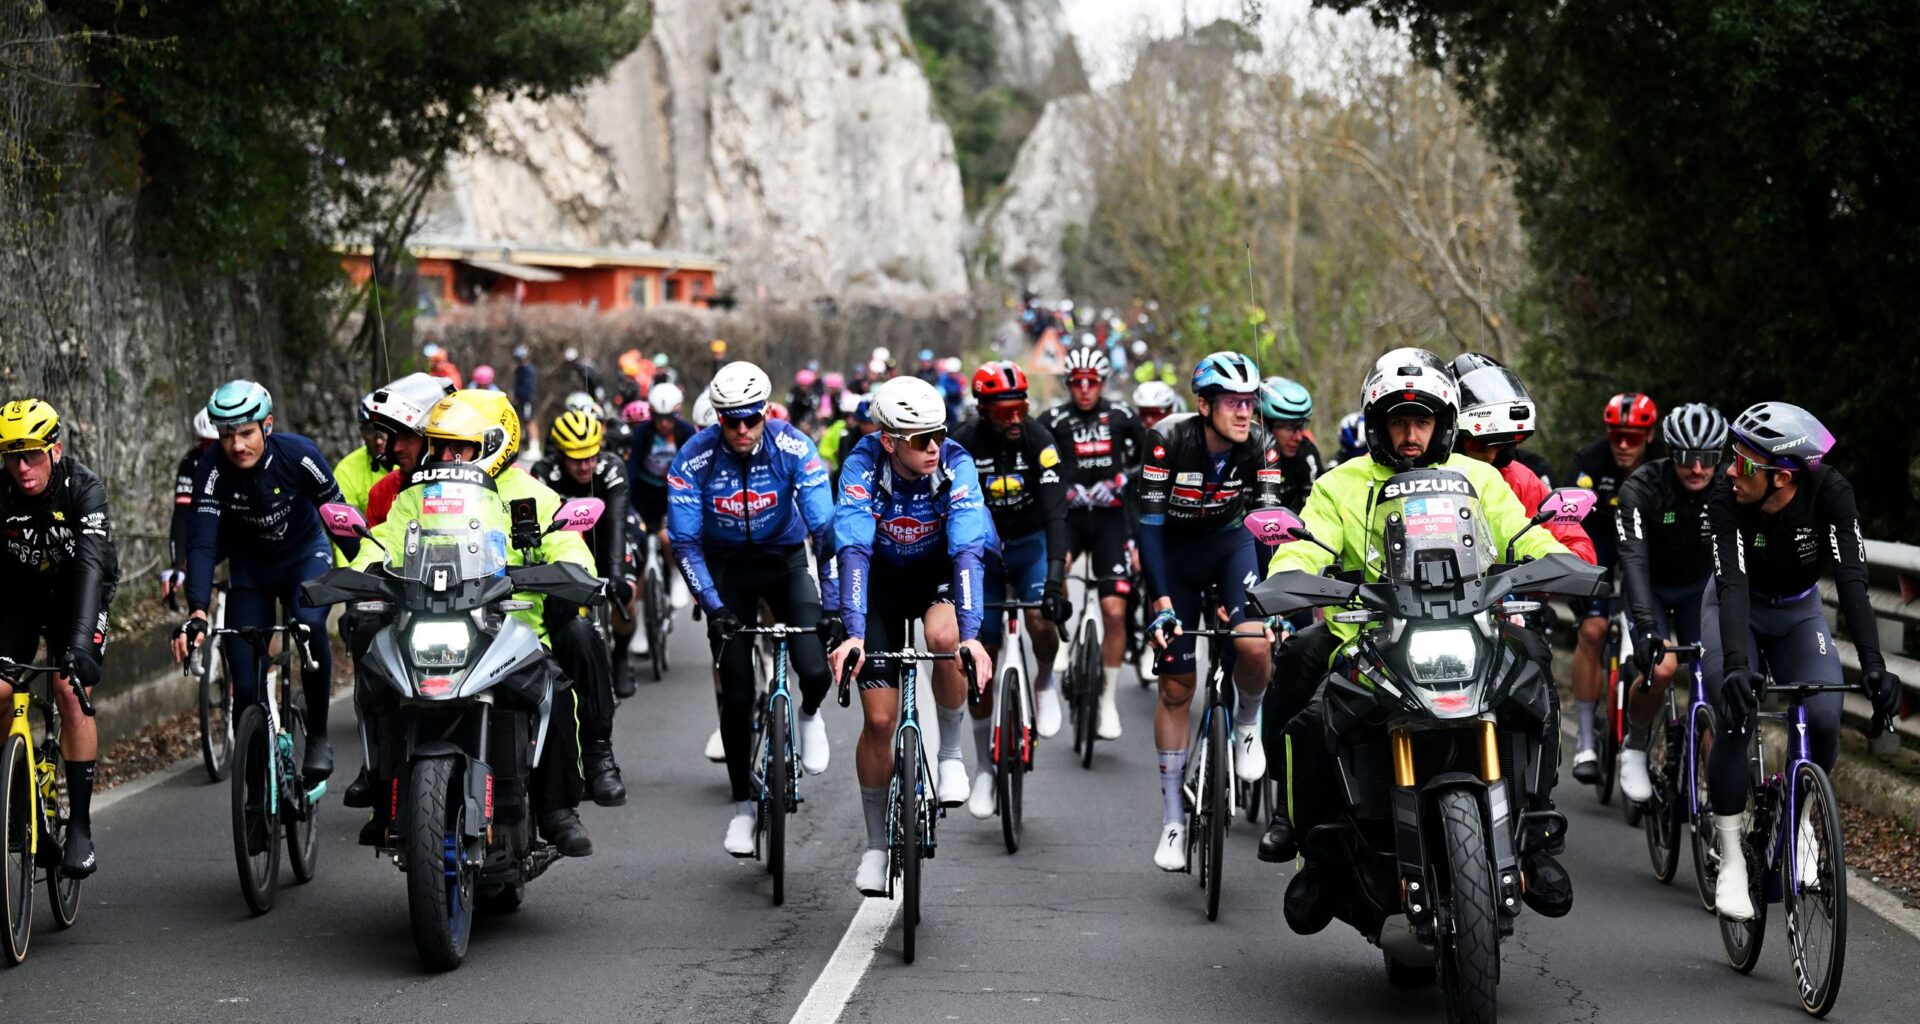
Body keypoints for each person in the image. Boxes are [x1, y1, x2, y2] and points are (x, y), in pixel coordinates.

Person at [1258, 352, 1576, 911]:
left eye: (1421, 421)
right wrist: (1290, 570)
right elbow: (1308, 540)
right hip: (1367, 634)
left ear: (1443, 423)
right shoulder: (1341, 483)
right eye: (1398, 421)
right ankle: (1312, 848)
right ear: (1376, 424)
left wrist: (1556, 559)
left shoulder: (1479, 477)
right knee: (1303, 692)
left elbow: (1520, 532)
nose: (1410, 434)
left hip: (1470, 626)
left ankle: (1535, 839)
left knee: (1534, 665)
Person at [349, 390, 598, 857]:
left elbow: (566, 537)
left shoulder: (530, 492)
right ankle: (383, 801)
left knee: (557, 691)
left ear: (492, 443)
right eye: (439, 446)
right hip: (427, 620)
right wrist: (360, 569)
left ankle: (558, 810)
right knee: (376, 681)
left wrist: (573, 568)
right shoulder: (418, 497)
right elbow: (384, 540)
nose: (443, 457)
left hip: (510, 626)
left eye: (455, 446)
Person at [1703, 402, 1902, 920]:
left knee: (1823, 717)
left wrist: (1875, 665)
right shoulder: (1727, 498)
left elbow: (1854, 581)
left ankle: (1801, 820)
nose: (1729, 470)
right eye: (1732, 456)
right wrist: (1739, 665)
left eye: (1744, 463)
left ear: (1783, 478)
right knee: (1734, 707)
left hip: (1797, 612)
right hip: (1734, 605)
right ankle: (1730, 859)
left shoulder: (1830, 492)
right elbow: (1731, 584)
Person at [827, 376, 992, 895]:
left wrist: (972, 635)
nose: (934, 446)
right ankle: (876, 846)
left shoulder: (955, 463)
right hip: (876, 581)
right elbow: (851, 548)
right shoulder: (861, 466)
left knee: (945, 639)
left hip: (934, 575)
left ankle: (949, 755)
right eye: (920, 439)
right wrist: (852, 632)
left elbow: (967, 548)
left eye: (938, 433)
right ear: (889, 441)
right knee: (879, 721)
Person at [667, 361, 838, 855]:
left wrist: (832, 603)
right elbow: (684, 542)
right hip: (727, 571)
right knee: (737, 693)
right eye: (730, 420)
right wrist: (713, 606)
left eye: (751, 419)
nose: (741, 430)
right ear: (717, 417)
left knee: (812, 661)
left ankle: (808, 714)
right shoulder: (694, 458)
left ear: (765, 412)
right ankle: (743, 808)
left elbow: (824, 533)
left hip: (782, 561)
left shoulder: (793, 447)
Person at [1135, 352, 1283, 872]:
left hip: (1230, 547)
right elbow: (1148, 526)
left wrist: (1272, 599)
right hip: (1173, 555)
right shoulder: (1168, 440)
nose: (1245, 413)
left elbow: (1267, 526)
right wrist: (1160, 603)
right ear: (1204, 405)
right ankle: (1174, 818)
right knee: (1177, 686)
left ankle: (1247, 722)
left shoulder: (1261, 445)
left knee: (1254, 643)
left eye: (1250, 402)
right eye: (1233, 403)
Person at [171, 381, 355, 784]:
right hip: (251, 570)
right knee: (245, 679)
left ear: (267, 426)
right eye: (227, 435)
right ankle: (254, 789)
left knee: (307, 623)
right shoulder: (211, 469)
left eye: (246, 433)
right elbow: (201, 544)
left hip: (304, 555)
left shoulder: (299, 454)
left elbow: (338, 515)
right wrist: (198, 610)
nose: (237, 445)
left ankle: (319, 735)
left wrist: (366, 569)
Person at [0, 399, 118, 878]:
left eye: (30, 454)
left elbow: (92, 568)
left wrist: (82, 649)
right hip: (18, 602)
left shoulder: (83, 489)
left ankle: (81, 828)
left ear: (55, 449)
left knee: (71, 692)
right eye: (11, 456)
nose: (21, 467)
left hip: (78, 598)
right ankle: (9, 795)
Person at [953, 362, 1071, 818]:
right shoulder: (961, 444)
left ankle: (1044, 681)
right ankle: (984, 766)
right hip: (981, 555)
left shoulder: (1040, 442)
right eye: (1005, 412)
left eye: (1022, 408)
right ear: (984, 410)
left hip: (1030, 545)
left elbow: (1057, 514)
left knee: (1043, 617)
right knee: (979, 655)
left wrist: (1057, 580)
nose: (1017, 419)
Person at [1613, 403, 1723, 803]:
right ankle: (1637, 744)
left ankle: (1717, 797)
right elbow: (1635, 564)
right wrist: (1645, 629)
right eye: (1686, 458)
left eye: (1708, 459)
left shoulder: (1728, 491)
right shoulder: (1641, 489)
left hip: (1699, 591)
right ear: (1669, 453)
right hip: (1652, 589)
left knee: (1714, 681)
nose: (1697, 469)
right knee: (1661, 668)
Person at [1041, 346, 1147, 740]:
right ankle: (1064, 639)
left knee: (1115, 610)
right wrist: (1061, 489)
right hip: (1068, 519)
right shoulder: (1053, 418)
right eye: (1077, 382)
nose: (1084, 389)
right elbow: (1034, 459)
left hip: (1110, 521)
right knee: (1058, 567)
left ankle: (1106, 703)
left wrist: (1121, 481)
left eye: (1092, 382)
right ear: (1068, 384)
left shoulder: (1120, 416)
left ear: (1102, 383)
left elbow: (1153, 452)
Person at [529, 410, 633, 807]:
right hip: (557, 564)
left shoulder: (610, 470)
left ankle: (600, 753)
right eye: (576, 458)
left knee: (592, 625)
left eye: (591, 455)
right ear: (559, 454)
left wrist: (617, 575)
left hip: (600, 548)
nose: (585, 465)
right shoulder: (542, 474)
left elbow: (616, 526)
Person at [1566, 391, 1663, 783]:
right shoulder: (1589, 462)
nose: (1624, 445)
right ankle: (1586, 738)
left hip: (1645, 546)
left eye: (1634, 437)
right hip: (1599, 543)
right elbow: (1570, 521)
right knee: (1593, 629)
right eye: (1617, 435)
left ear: (1651, 435)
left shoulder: (1664, 465)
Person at [1452, 366, 1596, 563]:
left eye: (1502, 446)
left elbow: (1579, 549)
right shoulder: (1417, 474)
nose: (1491, 456)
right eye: (1478, 444)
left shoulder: (1521, 479)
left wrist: (1543, 569)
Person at [629, 382, 698, 610]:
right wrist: (628, 506)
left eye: (671, 417)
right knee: (636, 547)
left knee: (668, 537)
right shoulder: (642, 433)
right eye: (659, 418)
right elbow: (631, 469)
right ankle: (638, 620)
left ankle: (677, 573)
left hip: (674, 493)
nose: (664, 424)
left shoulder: (687, 433)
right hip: (645, 493)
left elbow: (694, 471)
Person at [361, 373, 461, 528]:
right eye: (394, 438)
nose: (396, 448)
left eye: (408, 437)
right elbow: (372, 546)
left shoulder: (466, 486)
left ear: (434, 440)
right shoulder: (382, 491)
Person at [162, 408, 220, 603]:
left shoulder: (240, 458)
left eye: (215, 443)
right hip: (206, 532)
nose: (209, 448)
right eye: (204, 442)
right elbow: (182, 515)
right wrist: (178, 564)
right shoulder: (191, 462)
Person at [1256, 377, 1320, 514]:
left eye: (1301, 426)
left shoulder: (1306, 453)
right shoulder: (1243, 452)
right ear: (1263, 424)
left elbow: (1316, 509)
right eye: (1289, 427)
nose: (1298, 437)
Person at [331, 393, 388, 515]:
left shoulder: (413, 458)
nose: (379, 440)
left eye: (384, 429)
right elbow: (344, 523)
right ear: (361, 433)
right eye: (370, 431)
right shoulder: (346, 470)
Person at [512, 345, 538, 432]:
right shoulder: (519, 369)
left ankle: (534, 443)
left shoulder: (528, 370)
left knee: (529, 419)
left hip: (527, 399)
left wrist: (526, 398)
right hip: (521, 399)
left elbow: (529, 387)